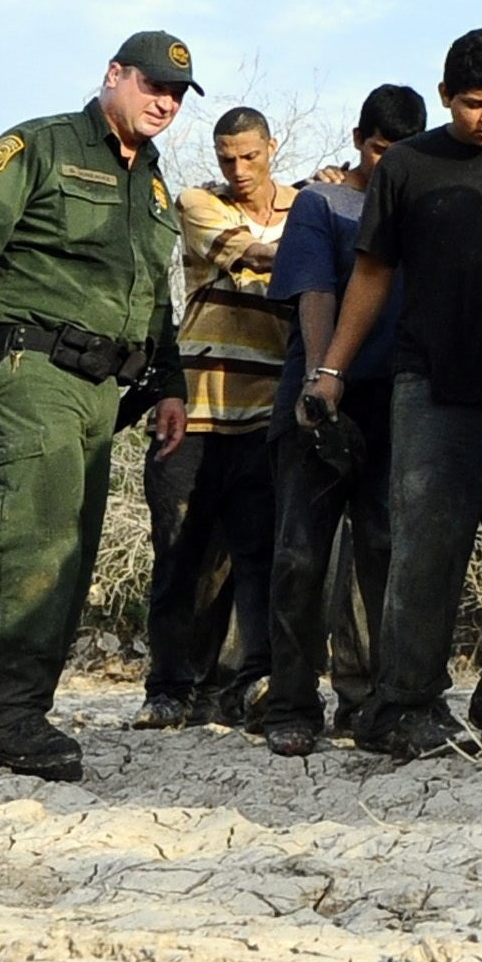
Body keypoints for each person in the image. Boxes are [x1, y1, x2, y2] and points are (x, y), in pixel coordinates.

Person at [0, 32, 196, 781]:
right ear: (114, 75)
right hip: (24, 364)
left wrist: (167, 382)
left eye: (177, 94)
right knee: (30, 539)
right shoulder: (39, 145)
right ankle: (6, 718)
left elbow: (150, 291)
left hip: (100, 387)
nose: (164, 101)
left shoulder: (153, 183)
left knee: (69, 549)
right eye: (152, 84)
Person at [302, 28, 482, 759]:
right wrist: (331, 368)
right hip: (431, 389)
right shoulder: (410, 165)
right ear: (447, 95)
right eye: (475, 103)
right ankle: (406, 705)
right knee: (425, 553)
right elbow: (373, 273)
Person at [258, 85, 423, 757]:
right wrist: (320, 383)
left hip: (398, 404)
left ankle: (381, 704)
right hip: (321, 397)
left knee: (385, 554)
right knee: (300, 555)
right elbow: (316, 293)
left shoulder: (424, 205)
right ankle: (292, 703)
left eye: (403, 151)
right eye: (381, 149)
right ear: (359, 139)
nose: (389, 163)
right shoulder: (320, 204)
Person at [137, 105, 290, 729]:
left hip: (264, 412)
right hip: (195, 411)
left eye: (249, 156)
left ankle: (253, 680)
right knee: (180, 552)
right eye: (228, 157)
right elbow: (252, 256)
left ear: (270, 149)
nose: (239, 168)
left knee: (258, 554)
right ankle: (169, 686)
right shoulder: (200, 202)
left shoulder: (307, 204)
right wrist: (316, 225)